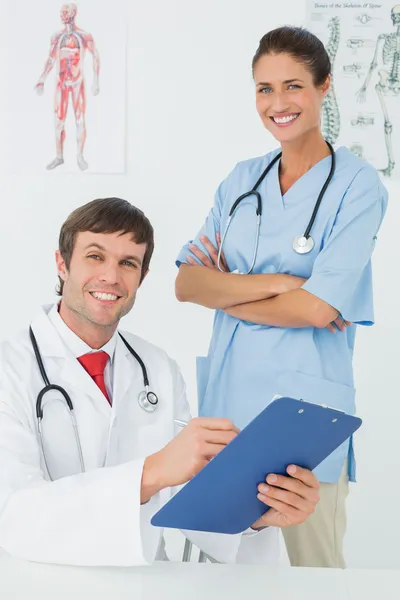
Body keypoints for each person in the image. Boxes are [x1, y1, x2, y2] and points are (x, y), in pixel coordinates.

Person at [0, 198, 319, 567]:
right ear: (62, 263)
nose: (110, 277)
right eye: (95, 256)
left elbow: (190, 503)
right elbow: (13, 511)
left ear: (142, 277)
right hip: (37, 584)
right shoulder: (10, 368)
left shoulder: (158, 368)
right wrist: (149, 473)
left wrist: (258, 519)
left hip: (145, 584)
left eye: (128, 263)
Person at [175, 26, 388, 568]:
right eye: (264, 89)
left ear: (323, 86)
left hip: (304, 424)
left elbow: (318, 309)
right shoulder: (242, 181)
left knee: (312, 575)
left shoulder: (359, 187)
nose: (277, 103)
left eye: (292, 85)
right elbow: (186, 283)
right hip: (226, 413)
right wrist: (279, 284)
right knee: (215, 572)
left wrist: (226, 293)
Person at [34, 3, 100, 171]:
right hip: (61, 83)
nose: (61, 15)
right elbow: (50, 59)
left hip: (77, 82)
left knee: (79, 120)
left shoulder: (84, 36)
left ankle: (79, 155)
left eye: (64, 12)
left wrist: (96, 80)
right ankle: (59, 156)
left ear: (72, 14)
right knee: (59, 121)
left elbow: (96, 56)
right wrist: (42, 78)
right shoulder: (57, 36)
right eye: (61, 12)